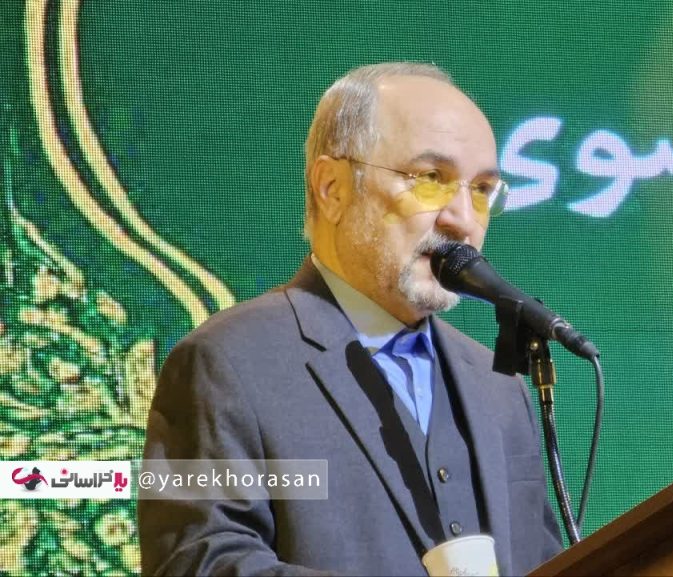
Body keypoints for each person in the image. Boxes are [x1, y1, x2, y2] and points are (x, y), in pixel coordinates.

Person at [139, 62, 563, 576]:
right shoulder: (224, 363)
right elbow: (197, 562)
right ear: (333, 188)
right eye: (431, 179)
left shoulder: (500, 388)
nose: (463, 220)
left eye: (481, 189)